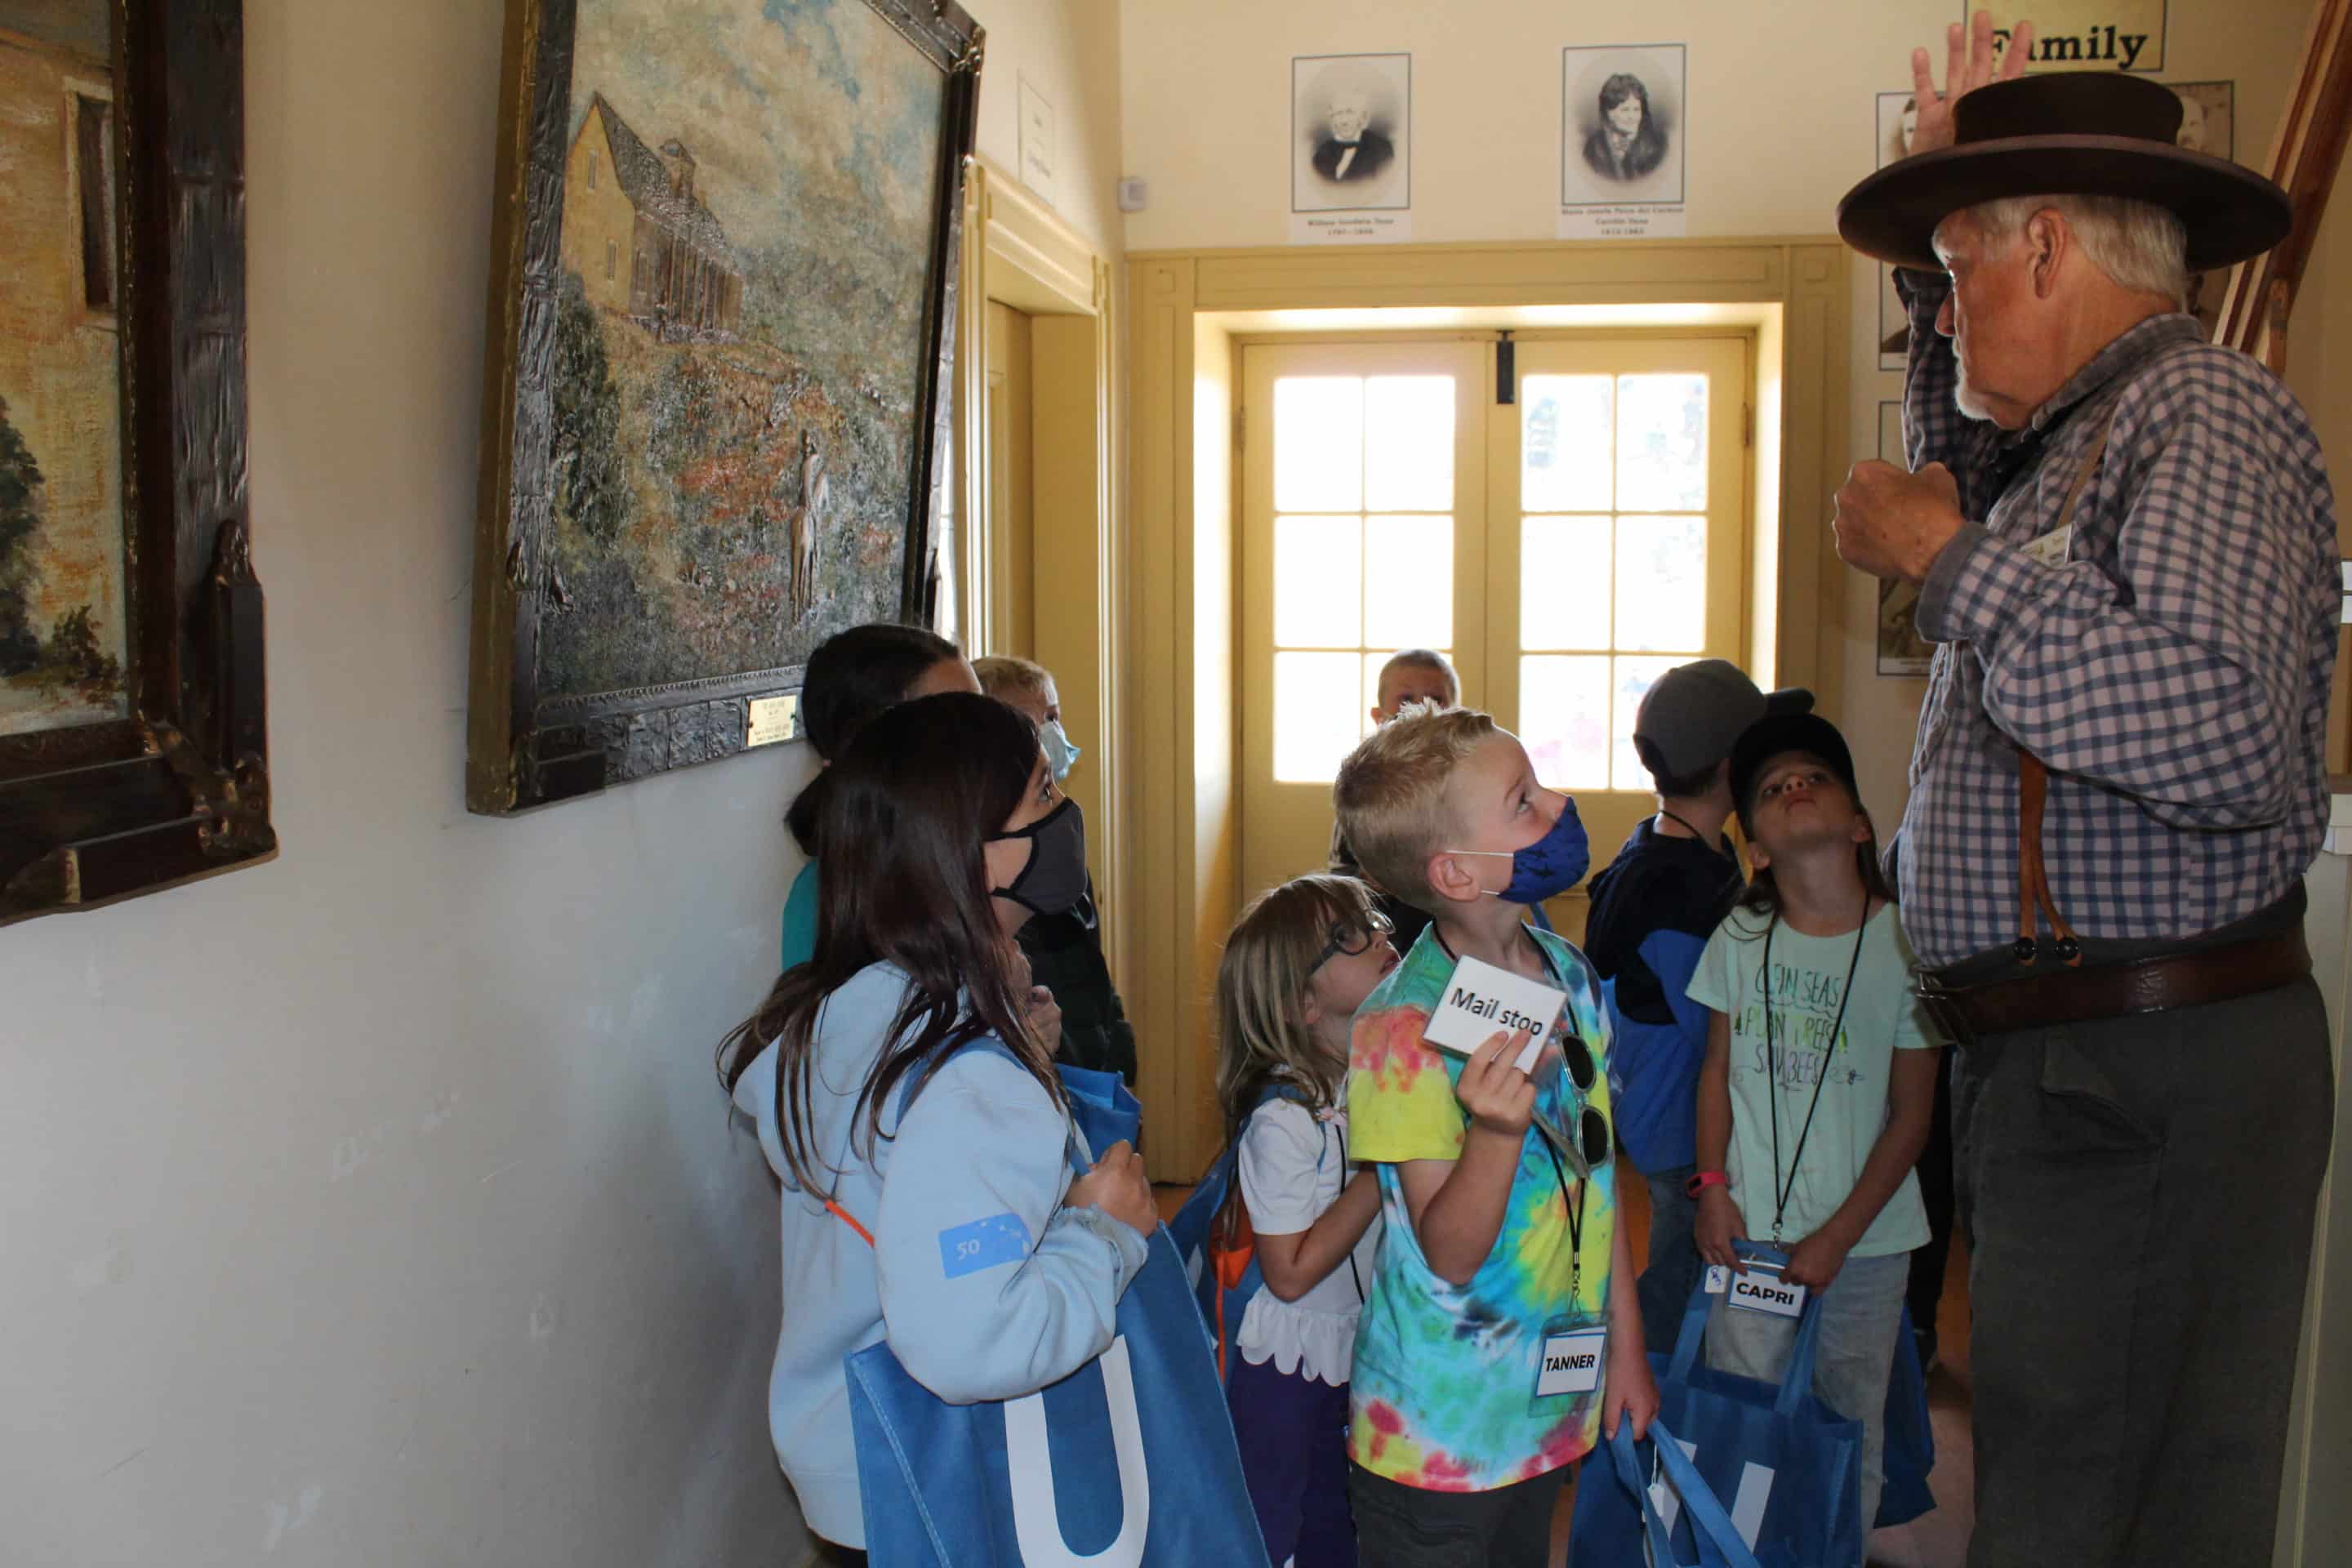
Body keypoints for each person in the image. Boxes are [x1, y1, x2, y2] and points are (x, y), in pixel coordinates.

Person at [1832, 16, 2334, 1564]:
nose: (1953, 307)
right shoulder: (2081, 435)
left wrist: (1943, 558)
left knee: (2110, 1513)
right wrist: (1938, 218)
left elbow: (2228, 732)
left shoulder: (2204, 415)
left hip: (2145, 1066)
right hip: (2086, 1066)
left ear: (2046, 249)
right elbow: (1962, 462)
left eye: (1968, 264)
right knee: (2067, 1480)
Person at [715, 693, 1155, 1554]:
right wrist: (1102, 1236)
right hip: (941, 1488)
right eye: (1040, 798)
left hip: (861, 1471)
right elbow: (973, 1339)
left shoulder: (862, 1009)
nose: (1064, 811)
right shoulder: (967, 1081)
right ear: (967, 855)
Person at [1333, 706, 1657, 1566]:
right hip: (1438, 1435)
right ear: (1458, 872)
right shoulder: (1398, 1030)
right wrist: (1496, 1131)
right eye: (1526, 802)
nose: (1560, 804)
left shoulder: (1572, 975)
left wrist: (1626, 1348)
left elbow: (1596, 1178)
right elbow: (1449, 1254)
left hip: (1546, 1408)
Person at [1688, 712, 1940, 1548]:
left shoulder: (1909, 944)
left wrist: (1838, 1236)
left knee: (1847, 1416)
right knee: (1743, 1406)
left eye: (1815, 778)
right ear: (1755, 847)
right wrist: (1713, 1190)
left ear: (1862, 825)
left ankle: (1834, 1549)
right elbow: (1716, 1074)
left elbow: (1912, 1116)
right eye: (1770, 789)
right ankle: (1739, 1548)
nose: (1794, 786)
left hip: (1866, 1244)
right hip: (1749, 1233)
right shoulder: (1740, 935)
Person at [1584, 658, 1810, 1354]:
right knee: (1686, 1265)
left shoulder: (1666, 847)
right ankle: (1638, 1384)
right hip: (1678, 1129)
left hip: (1667, 1116)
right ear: (1731, 768)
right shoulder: (1678, 896)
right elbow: (1721, 1029)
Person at [1211, 874, 1393, 1568]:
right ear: (1303, 1003)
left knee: (1332, 1516)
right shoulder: (1284, 1119)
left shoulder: (1364, 1082)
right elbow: (1287, 1273)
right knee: (1272, 1520)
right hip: (1282, 1362)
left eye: (1373, 921)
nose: (1379, 937)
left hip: (1347, 1340)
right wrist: (1384, 1170)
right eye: (1347, 937)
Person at [975, 654, 1138, 1082]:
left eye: (1056, 716)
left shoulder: (1056, 847)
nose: (1056, 732)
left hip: (1093, 1059)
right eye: (1042, 719)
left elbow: (1091, 963)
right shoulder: (1003, 876)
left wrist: (1118, 1040)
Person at [779, 623, 977, 972]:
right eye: (956, 725)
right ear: (877, 751)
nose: (987, 741)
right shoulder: (827, 902)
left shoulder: (980, 851)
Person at [1330, 648, 1462, 956]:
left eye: (1434, 700)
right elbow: (1340, 870)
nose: (1418, 711)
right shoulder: (1362, 785)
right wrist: (1366, 878)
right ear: (1379, 719)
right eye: (1405, 702)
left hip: (1453, 926)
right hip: (1385, 931)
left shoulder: (1464, 783)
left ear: (1455, 716)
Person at [1581, 73, 1667, 183]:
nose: (1632, 117)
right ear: (1609, 113)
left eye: (1636, 109)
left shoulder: (1656, 146)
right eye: (1625, 110)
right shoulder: (1594, 148)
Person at [1312, 87, 1394, 185]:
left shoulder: (1382, 150)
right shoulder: (1321, 154)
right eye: (1339, 114)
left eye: (1349, 112)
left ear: (1363, 118)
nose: (1344, 121)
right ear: (1332, 120)